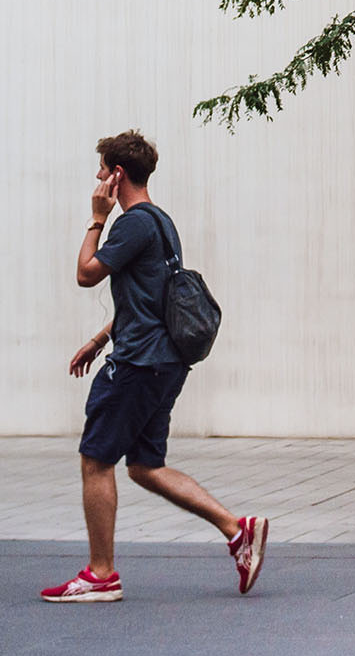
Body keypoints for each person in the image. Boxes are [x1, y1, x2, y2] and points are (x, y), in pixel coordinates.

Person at [46, 131, 268, 603]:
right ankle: (238, 530)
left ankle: (101, 574)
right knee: (146, 466)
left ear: (118, 174)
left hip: (138, 363)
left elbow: (86, 274)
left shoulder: (129, 224)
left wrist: (96, 219)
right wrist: (98, 338)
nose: (98, 177)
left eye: (102, 170)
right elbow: (151, 298)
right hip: (164, 361)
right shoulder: (161, 222)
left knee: (96, 460)